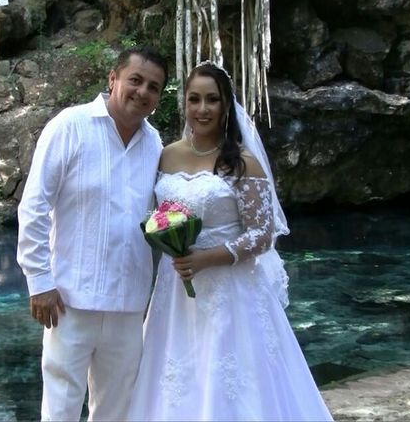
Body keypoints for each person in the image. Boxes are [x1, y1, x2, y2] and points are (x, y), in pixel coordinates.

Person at [127, 60, 333, 421]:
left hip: (230, 291)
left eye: (212, 100)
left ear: (225, 106)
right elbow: (155, 215)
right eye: (194, 99)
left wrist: (207, 258)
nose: (202, 109)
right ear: (184, 104)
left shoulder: (243, 163)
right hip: (175, 291)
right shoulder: (167, 154)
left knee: (232, 379)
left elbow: (261, 235)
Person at [16, 46, 168, 422]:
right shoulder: (70, 126)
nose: (143, 92)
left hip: (129, 304)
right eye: (135, 80)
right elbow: (33, 207)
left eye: (154, 87)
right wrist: (39, 281)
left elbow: (159, 216)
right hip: (68, 300)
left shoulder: (155, 144)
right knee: (61, 408)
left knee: (116, 411)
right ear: (113, 79)